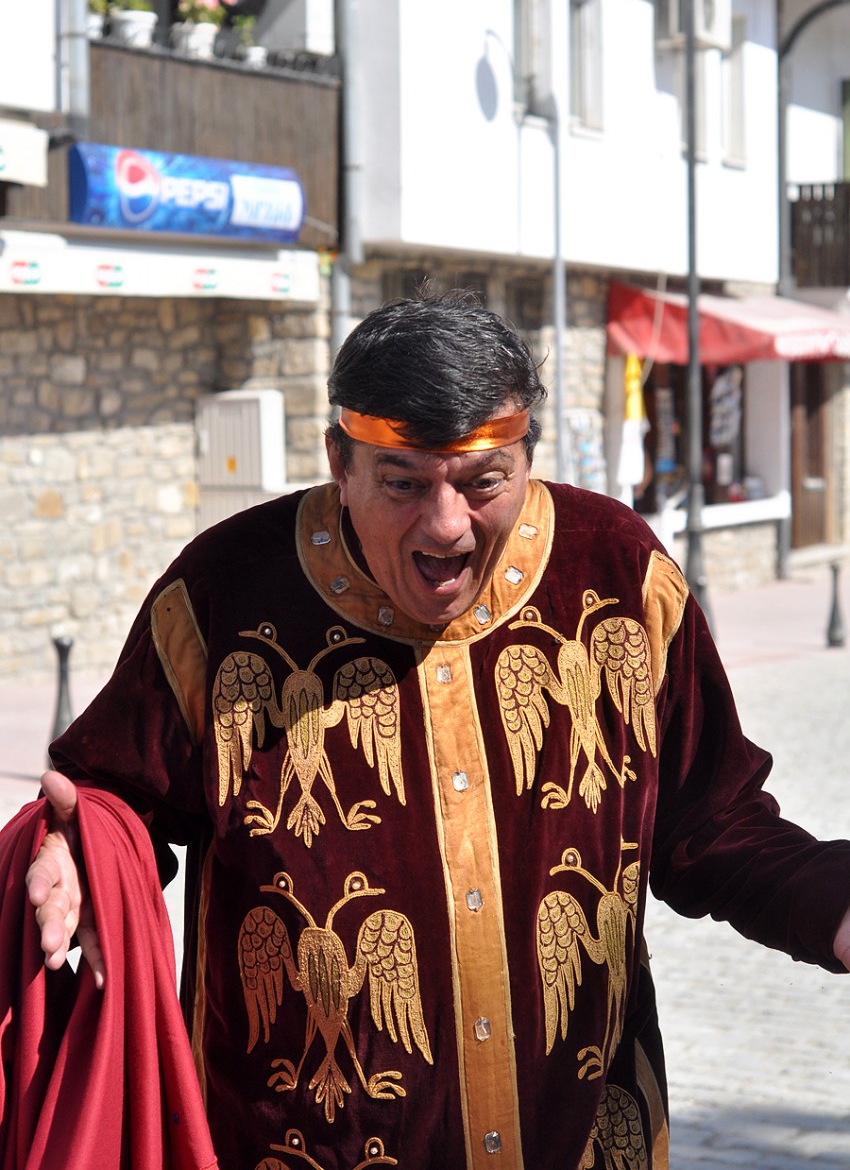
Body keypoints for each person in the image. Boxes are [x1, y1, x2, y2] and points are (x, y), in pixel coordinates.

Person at [23, 291, 850, 1170]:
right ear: (340, 462)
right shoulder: (222, 594)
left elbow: (712, 822)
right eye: (404, 484)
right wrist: (78, 852)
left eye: (483, 482)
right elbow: (115, 796)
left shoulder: (618, 573)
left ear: (528, 459)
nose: (447, 523)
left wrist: (835, 904)